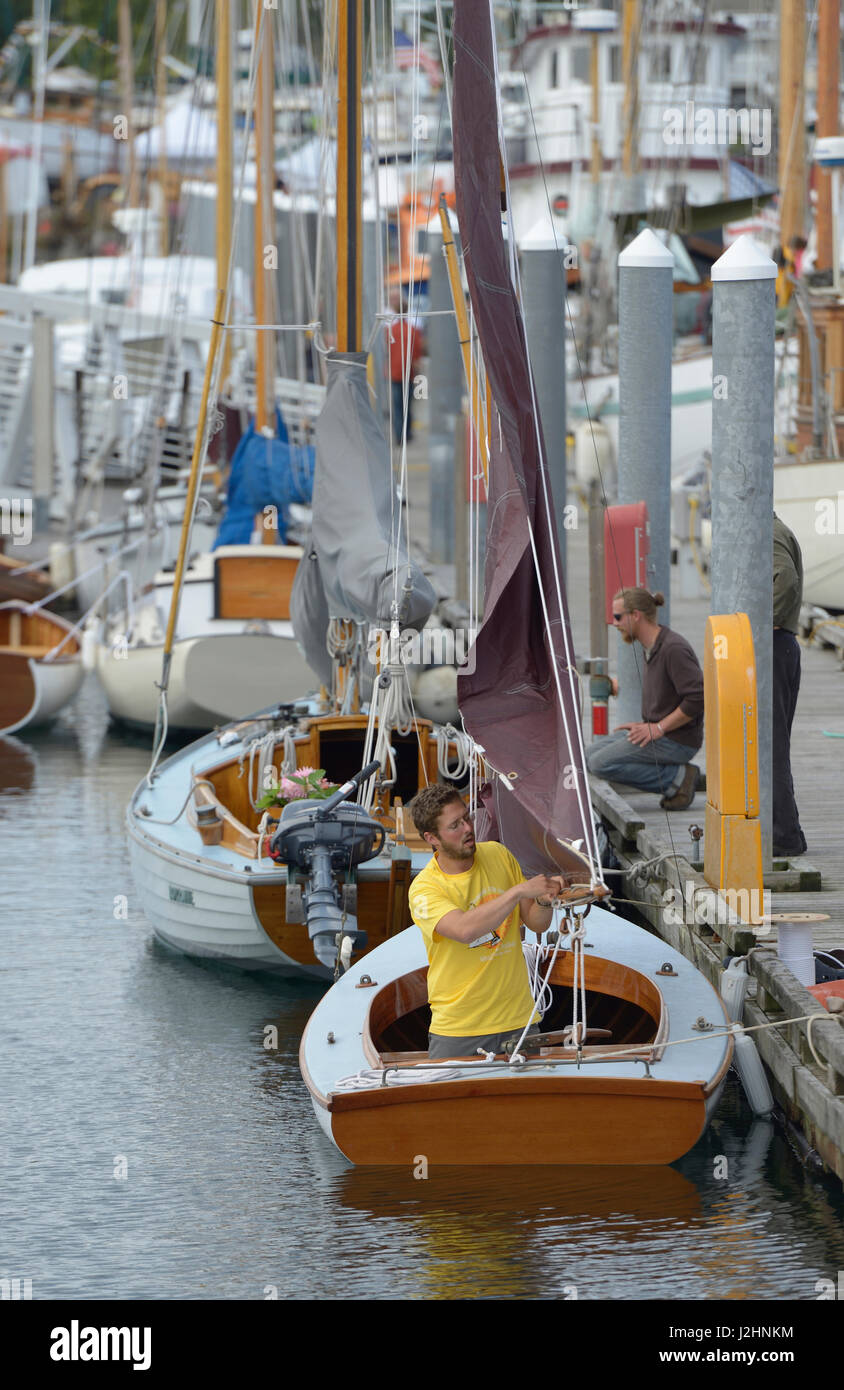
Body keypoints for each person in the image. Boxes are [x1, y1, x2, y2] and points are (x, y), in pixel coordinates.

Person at [406, 784, 568, 1059]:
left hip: (520, 1021)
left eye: (467, 818)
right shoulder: (424, 889)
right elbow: (464, 929)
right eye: (454, 825)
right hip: (459, 1030)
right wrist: (518, 891)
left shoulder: (498, 854)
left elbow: (536, 924)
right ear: (432, 838)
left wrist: (542, 900)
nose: (468, 828)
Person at [586, 587, 703, 811]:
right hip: (661, 731)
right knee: (589, 755)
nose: (615, 623)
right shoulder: (651, 647)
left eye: (618, 617)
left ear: (636, 615)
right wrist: (646, 725)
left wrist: (658, 727)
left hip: (678, 740)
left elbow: (698, 697)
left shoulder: (673, 649)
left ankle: (678, 779)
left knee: (600, 763)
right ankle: (675, 777)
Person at [772, 513, 807, 857]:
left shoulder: (768, 534)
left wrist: (763, 625)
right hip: (783, 646)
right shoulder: (778, 529)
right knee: (774, 743)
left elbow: (787, 580)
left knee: (771, 745)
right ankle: (787, 828)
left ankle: (785, 836)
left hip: (775, 646)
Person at [387, 292, 424, 445]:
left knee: (397, 405)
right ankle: (407, 433)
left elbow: (387, 351)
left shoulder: (390, 331)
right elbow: (417, 352)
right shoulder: (413, 331)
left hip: (394, 372)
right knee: (407, 405)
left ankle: (399, 435)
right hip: (408, 372)